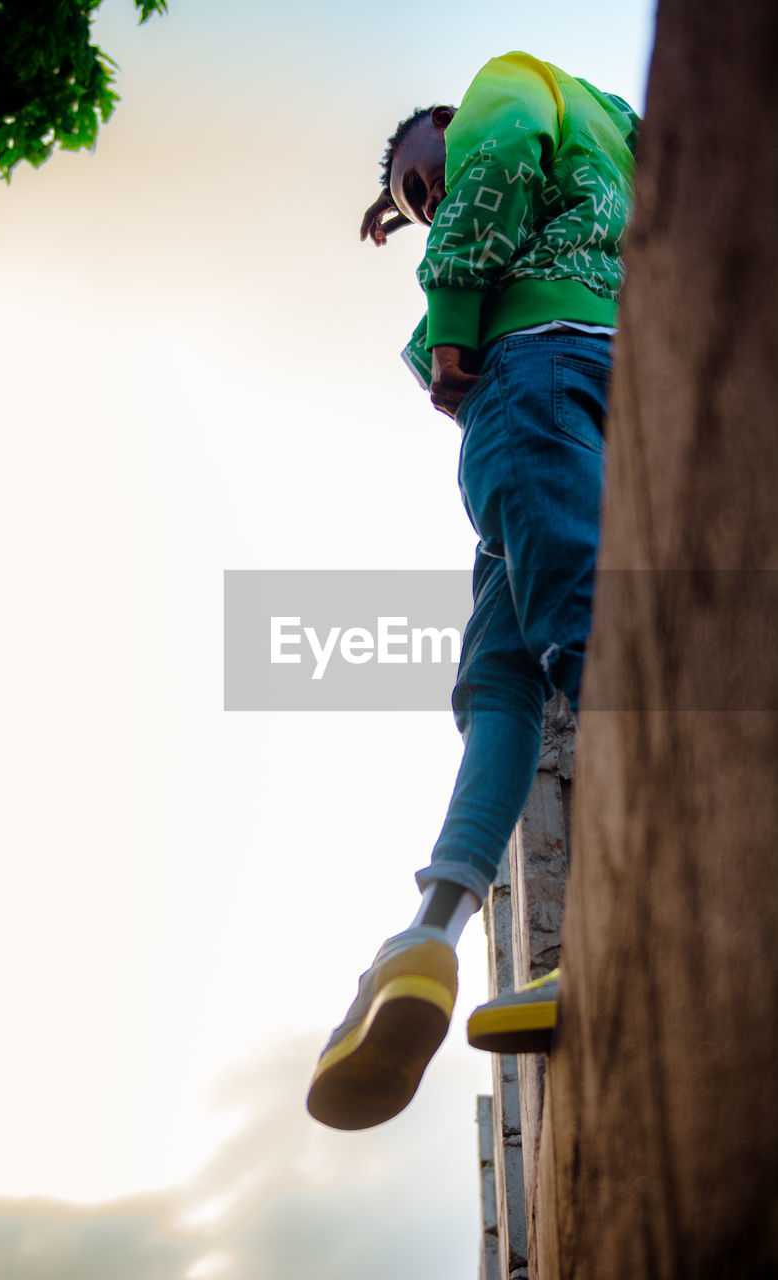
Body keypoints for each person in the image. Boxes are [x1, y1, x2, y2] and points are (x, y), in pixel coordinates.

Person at [306, 51, 638, 1131]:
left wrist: (451, 306)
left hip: (532, 379)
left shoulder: (507, 85)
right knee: (495, 685)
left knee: (579, 630)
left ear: (448, 116)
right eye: (414, 202)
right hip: (608, 381)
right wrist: (407, 197)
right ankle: (423, 944)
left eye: (423, 176)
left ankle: (621, 922)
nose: (429, 201)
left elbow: (491, 153)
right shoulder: (613, 134)